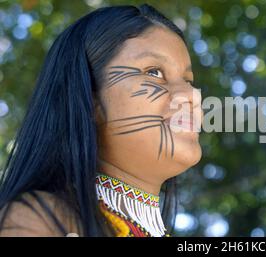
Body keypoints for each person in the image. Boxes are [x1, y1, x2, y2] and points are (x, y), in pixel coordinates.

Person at [0, 4, 202, 237]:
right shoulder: (41, 220)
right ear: (90, 99)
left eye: (188, 80)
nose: (192, 95)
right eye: (153, 72)